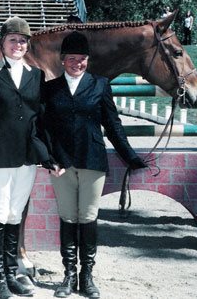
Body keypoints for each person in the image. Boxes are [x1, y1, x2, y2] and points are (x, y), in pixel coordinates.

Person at [39, 31, 147, 299]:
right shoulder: (50, 88)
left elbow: (113, 125)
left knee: (87, 217)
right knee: (67, 217)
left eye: (82, 58)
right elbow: (43, 127)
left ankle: (87, 275)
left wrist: (129, 156)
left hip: (92, 161)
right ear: (63, 60)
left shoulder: (100, 84)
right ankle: (68, 275)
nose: (77, 63)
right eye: (72, 58)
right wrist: (49, 159)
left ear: (88, 59)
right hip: (61, 164)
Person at [0, 16, 60, 299]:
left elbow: (40, 120)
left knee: (14, 214)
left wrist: (49, 157)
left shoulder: (36, 76)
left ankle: (11, 273)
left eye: (23, 40)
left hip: (26, 158)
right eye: (13, 40)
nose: (18, 44)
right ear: (2, 43)